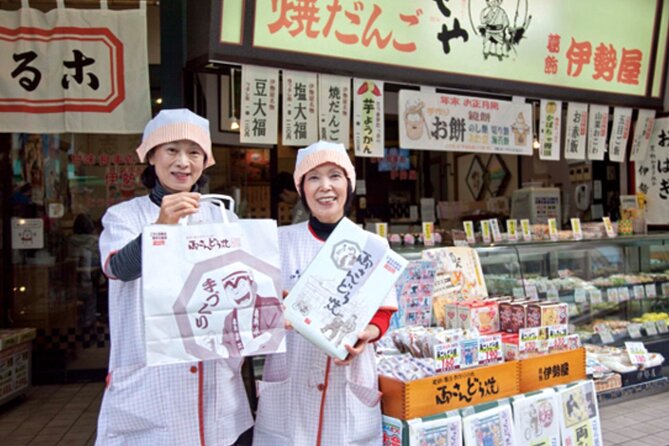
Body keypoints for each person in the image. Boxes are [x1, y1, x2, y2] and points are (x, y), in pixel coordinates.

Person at [96, 109, 253, 445]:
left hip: (215, 385)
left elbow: (241, 285)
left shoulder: (222, 217)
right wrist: (160, 229)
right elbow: (118, 268)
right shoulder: (124, 216)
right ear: (151, 156)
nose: (183, 162)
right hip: (151, 385)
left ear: (205, 161)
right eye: (172, 150)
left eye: (194, 152)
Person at [253, 140, 398, 445]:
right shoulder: (279, 242)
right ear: (302, 188)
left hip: (348, 381)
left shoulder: (374, 245)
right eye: (313, 178)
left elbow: (382, 314)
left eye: (335, 175)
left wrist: (366, 334)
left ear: (348, 183)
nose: (325, 186)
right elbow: (254, 312)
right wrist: (273, 311)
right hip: (291, 379)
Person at [220, 269, 284, 357]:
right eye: (230, 289)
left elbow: (279, 330)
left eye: (242, 285)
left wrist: (262, 340)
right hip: (243, 365)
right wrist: (219, 349)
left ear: (253, 286)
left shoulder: (270, 305)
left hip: (271, 358)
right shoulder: (229, 319)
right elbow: (227, 345)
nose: (237, 291)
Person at [68, 213, 102, 328]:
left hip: (71, 281)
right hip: (89, 279)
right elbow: (100, 261)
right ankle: (89, 322)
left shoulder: (69, 241)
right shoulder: (95, 242)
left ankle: (73, 323)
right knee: (92, 295)